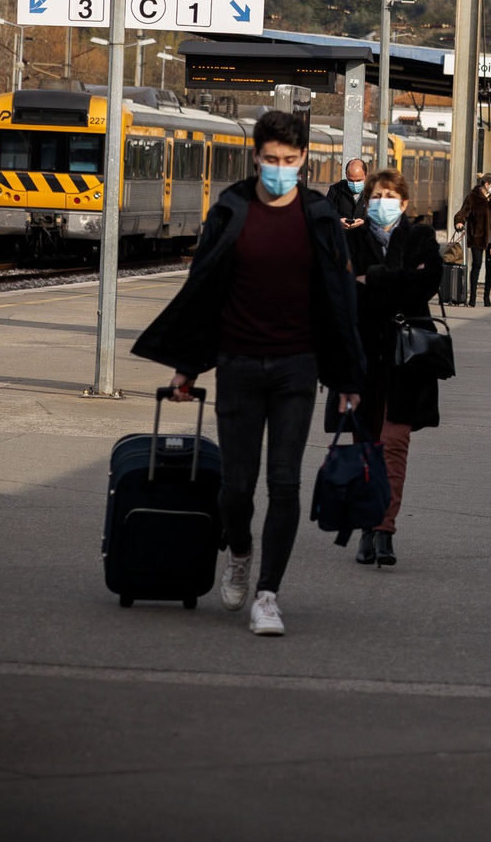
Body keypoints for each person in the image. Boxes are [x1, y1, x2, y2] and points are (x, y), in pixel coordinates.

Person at [132, 109, 366, 636]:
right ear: (255, 157)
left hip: (296, 367)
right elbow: (202, 291)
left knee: (284, 483)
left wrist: (349, 378)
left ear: (304, 159)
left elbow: (339, 298)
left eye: (289, 160)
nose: (279, 168)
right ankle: (239, 551)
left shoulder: (319, 216)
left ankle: (268, 593)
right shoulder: (232, 209)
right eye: (270, 160)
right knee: (237, 488)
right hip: (238, 363)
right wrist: (186, 368)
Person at [340, 167, 444, 568]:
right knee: (366, 449)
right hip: (362, 361)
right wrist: (400, 281)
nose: (382, 203)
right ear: (368, 203)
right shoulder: (349, 240)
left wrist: (374, 279)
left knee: (395, 445)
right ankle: (367, 528)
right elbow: (345, 290)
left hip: (406, 361)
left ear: (404, 203)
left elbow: (428, 283)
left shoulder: (420, 237)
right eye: (376, 196)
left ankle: (385, 530)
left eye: (390, 196)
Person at [452, 172, 491, 307]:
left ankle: (487, 296)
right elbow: (463, 212)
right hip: (477, 237)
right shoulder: (473, 197)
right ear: (486, 185)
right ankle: (473, 296)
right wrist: (459, 222)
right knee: (476, 265)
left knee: (490, 266)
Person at [328, 158, 369, 232]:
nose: (354, 184)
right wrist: (338, 221)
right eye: (351, 180)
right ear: (346, 175)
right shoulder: (336, 190)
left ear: (365, 175)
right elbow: (326, 213)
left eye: (359, 180)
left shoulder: (373, 192)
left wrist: (364, 223)